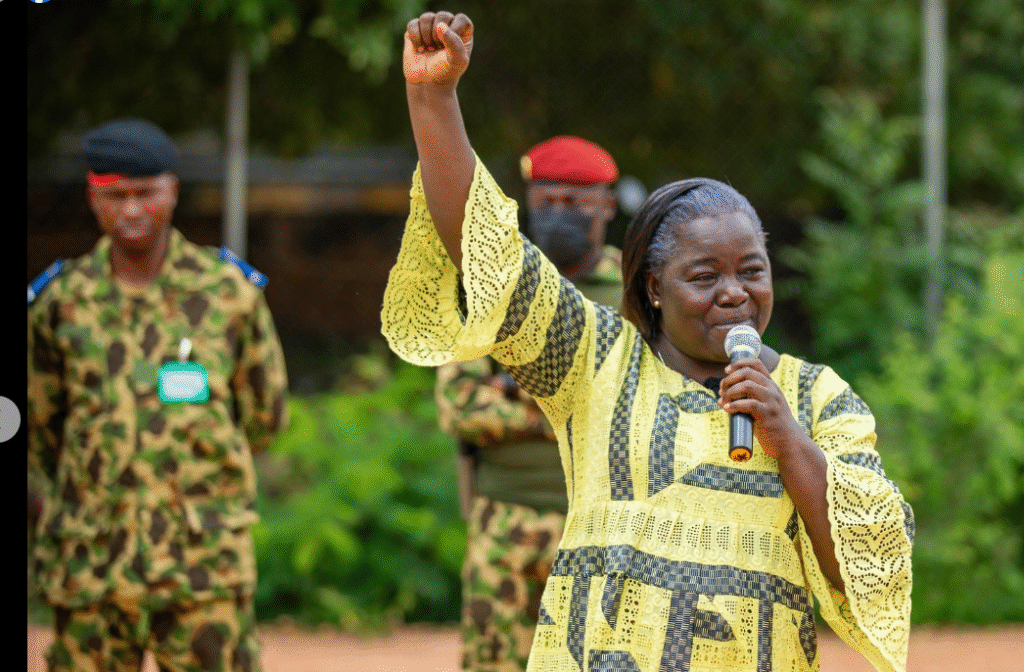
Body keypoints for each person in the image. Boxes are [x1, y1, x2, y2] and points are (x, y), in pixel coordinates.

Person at [382, 11, 914, 672]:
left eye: (752, 271)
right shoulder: (596, 361)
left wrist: (790, 439)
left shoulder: (820, 399)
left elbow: (869, 562)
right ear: (655, 288)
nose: (734, 293)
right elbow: (489, 254)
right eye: (703, 276)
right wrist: (432, 96)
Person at [27, 118, 289, 672]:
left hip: (202, 568)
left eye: (145, 193)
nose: (131, 210)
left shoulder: (228, 295)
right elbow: (39, 425)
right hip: (92, 567)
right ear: (93, 198)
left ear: (172, 190)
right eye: (114, 195)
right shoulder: (61, 302)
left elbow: (264, 417)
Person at [435, 136, 622, 672]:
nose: (557, 214)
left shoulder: (639, 295)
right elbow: (459, 406)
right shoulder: (492, 288)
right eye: (546, 202)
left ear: (606, 206)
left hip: (609, 533)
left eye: (574, 203)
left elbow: (646, 407)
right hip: (504, 528)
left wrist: (519, 388)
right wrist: (577, 400)